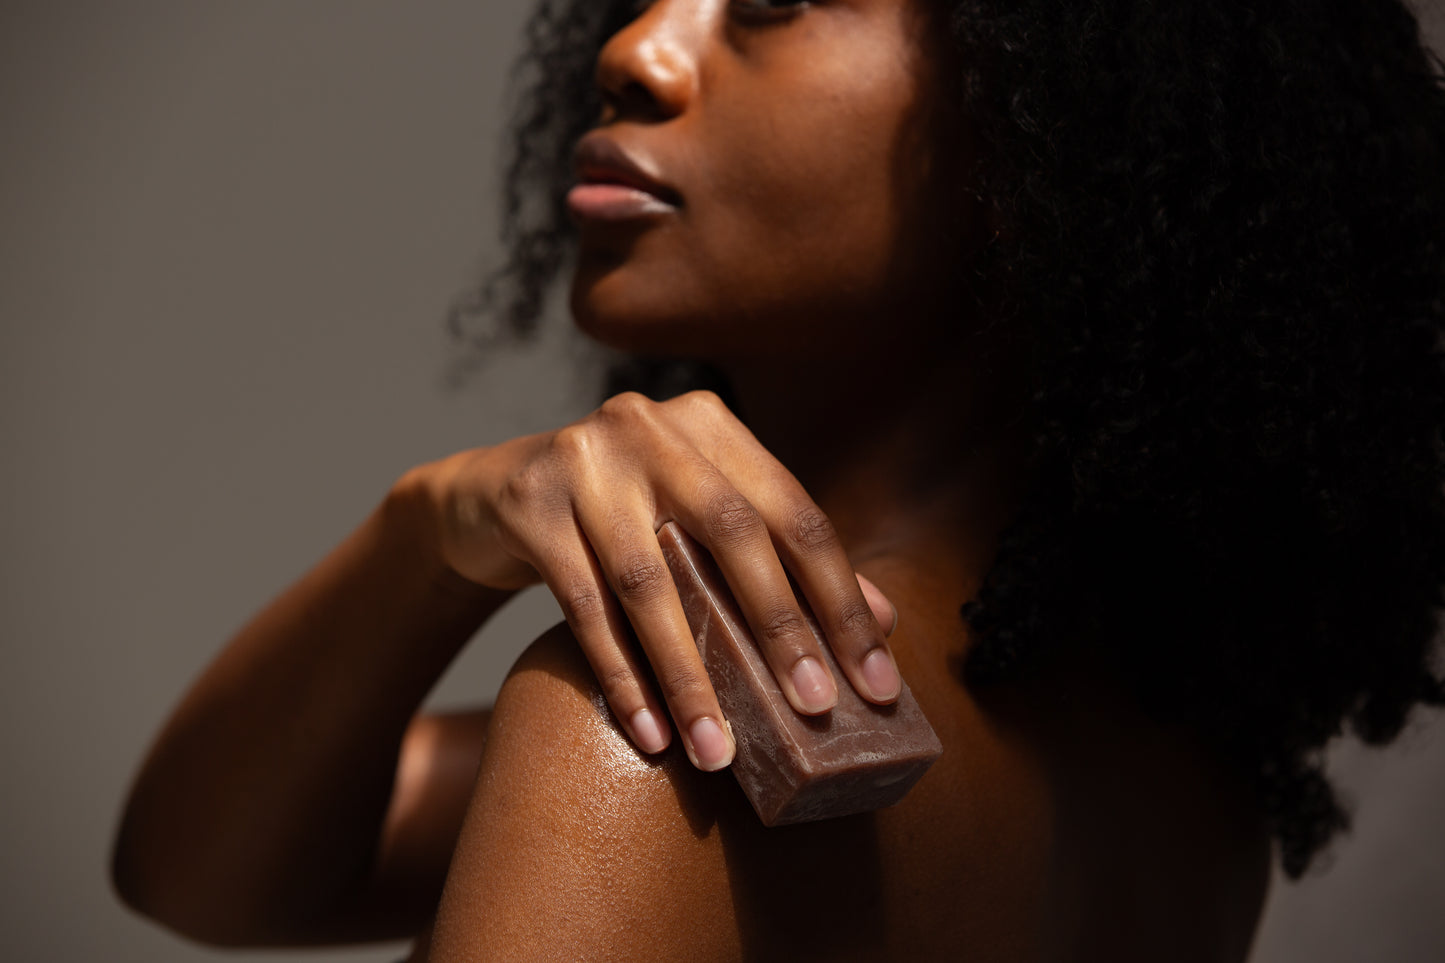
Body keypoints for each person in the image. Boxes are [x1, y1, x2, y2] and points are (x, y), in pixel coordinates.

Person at [112, 0, 1445, 959]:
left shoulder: (677, 740)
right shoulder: (1186, 786)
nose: (631, 49)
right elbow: (201, 876)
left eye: (768, 1)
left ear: (1053, 121)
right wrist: (430, 529)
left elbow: (194, 891)